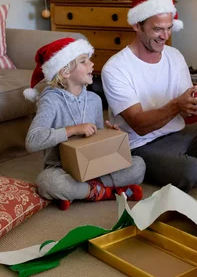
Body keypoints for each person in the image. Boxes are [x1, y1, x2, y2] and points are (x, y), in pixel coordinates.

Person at [101, 0, 197, 192]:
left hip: (179, 132)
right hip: (143, 145)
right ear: (136, 26)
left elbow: (186, 110)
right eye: (157, 29)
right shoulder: (115, 68)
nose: (164, 36)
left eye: (169, 28)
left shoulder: (174, 55)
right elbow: (139, 125)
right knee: (191, 172)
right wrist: (177, 105)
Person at [24, 38, 146, 210]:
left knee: (138, 165)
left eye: (89, 59)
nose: (91, 64)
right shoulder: (50, 100)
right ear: (65, 71)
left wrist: (107, 134)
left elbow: (94, 140)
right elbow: (32, 140)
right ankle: (108, 192)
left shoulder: (94, 100)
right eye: (83, 61)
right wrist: (72, 130)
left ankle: (85, 192)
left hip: (94, 168)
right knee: (47, 182)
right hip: (63, 170)